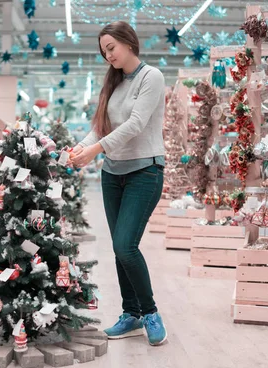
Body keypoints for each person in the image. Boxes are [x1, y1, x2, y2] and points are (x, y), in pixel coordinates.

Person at [71, 21, 167, 346]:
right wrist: (82, 147)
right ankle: (132, 314)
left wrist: (95, 150)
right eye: (103, 51)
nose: (108, 55)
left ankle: (150, 312)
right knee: (119, 248)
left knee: (126, 245)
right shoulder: (113, 83)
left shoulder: (151, 77)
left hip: (145, 172)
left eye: (111, 47)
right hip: (112, 174)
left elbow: (136, 124)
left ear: (128, 42)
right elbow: (100, 127)